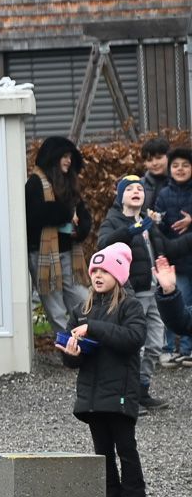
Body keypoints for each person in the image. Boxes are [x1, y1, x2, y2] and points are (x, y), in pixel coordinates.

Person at [57, 245, 147, 497]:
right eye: (94, 269)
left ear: (118, 274)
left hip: (120, 394)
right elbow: (74, 361)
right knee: (102, 453)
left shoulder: (129, 306)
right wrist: (71, 354)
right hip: (92, 397)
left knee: (126, 450)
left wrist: (93, 328)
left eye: (104, 270)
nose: (97, 275)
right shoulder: (80, 310)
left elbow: (133, 338)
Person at [95, 175, 174, 412]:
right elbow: (103, 244)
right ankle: (127, 396)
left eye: (140, 188)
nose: (136, 191)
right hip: (133, 294)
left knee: (154, 344)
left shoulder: (148, 221)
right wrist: (131, 230)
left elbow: (163, 248)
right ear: (121, 196)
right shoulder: (114, 220)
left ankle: (142, 391)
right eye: (129, 189)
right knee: (134, 347)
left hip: (154, 290)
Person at [25, 135, 92, 333]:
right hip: (43, 255)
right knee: (55, 309)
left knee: (81, 300)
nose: (68, 161)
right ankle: (68, 349)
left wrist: (81, 229)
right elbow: (35, 216)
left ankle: (87, 339)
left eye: (70, 157)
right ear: (52, 157)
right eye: (63, 156)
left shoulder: (68, 182)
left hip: (69, 253)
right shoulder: (35, 184)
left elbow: (82, 213)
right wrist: (65, 213)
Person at [150, 147, 192, 365]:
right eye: (176, 165)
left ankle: (188, 350)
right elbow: (160, 225)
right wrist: (156, 220)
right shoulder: (164, 194)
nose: (180, 169)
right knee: (180, 304)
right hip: (177, 262)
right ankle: (178, 349)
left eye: (185, 165)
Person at [138, 136, 170, 213]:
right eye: (149, 160)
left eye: (159, 158)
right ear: (145, 163)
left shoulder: (183, 183)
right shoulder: (138, 185)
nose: (154, 163)